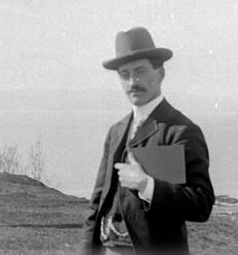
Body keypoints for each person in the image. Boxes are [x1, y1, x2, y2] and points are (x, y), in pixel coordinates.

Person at [77, 27, 215, 255]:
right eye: (124, 74)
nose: (132, 82)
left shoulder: (181, 130)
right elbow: (97, 203)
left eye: (140, 71)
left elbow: (202, 204)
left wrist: (147, 185)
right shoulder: (116, 131)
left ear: (160, 73)